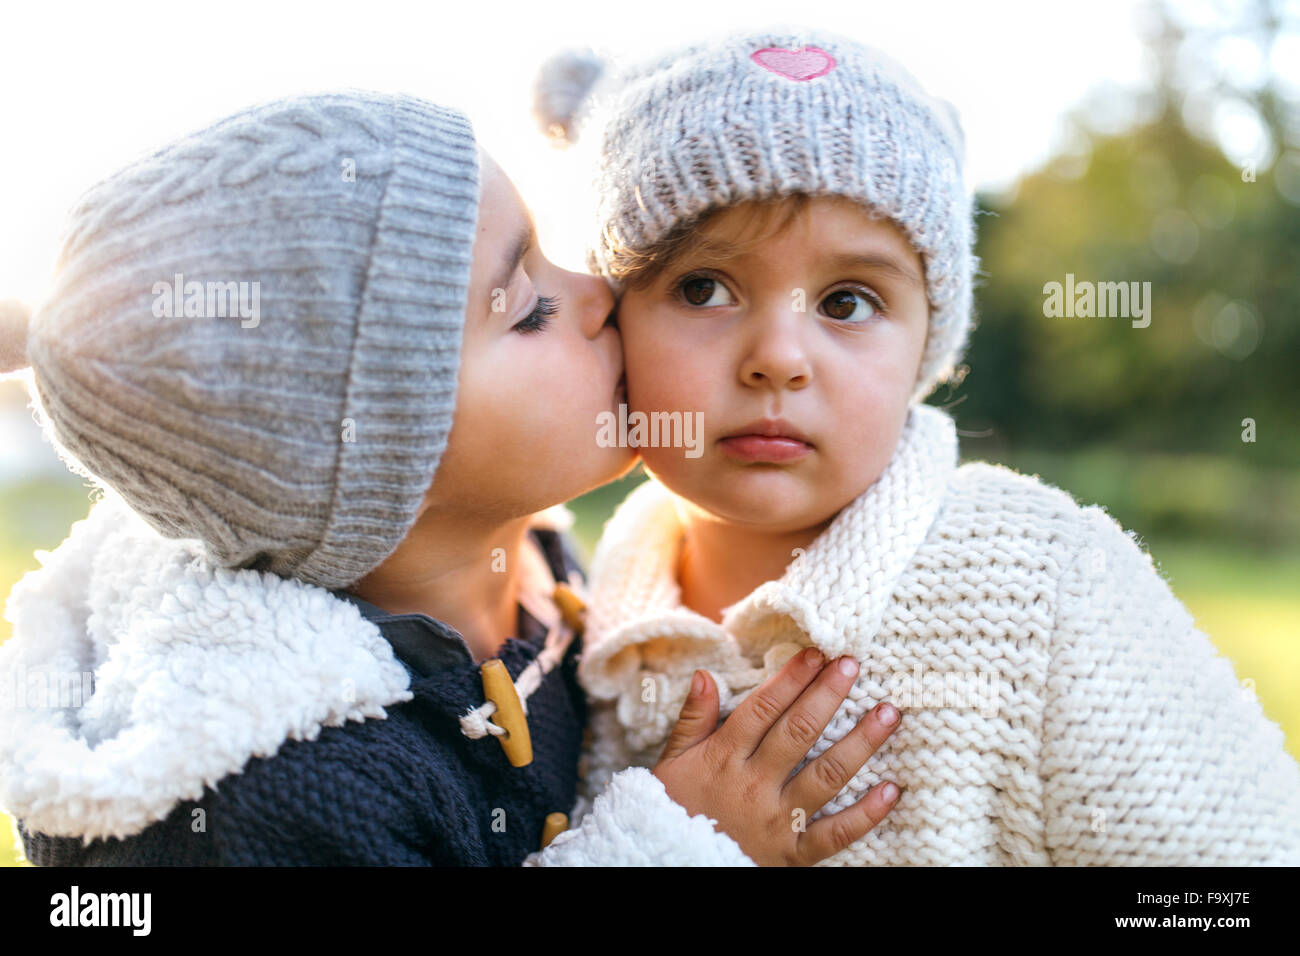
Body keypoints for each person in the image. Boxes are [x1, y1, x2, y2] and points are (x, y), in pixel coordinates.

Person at [0, 90, 901, 866]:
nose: (598, 294)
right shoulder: (279, 793)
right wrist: (684, 842)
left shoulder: (542, 572)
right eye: (528, 307)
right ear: (377, 455)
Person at [534, 27, 1300, 865]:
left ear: (925, 348)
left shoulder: (1044, 582)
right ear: (609, 320)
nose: (779, 358)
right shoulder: (577, 624)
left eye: (848, 302)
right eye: (704, 287)